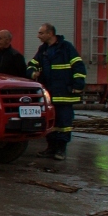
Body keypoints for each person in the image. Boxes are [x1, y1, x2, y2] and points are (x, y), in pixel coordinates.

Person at [28, 23, 85, 161]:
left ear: (50, 33)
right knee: (50, 122)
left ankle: (61, 149)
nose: (38, 36)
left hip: (64, 93)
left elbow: (78, 66)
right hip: (50, 92)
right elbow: (32, 64)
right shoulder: (43, 49)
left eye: (41, 33)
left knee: (63, 122)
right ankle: (51, 147)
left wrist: (78, 85)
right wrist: (32, 73)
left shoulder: (66, 48)